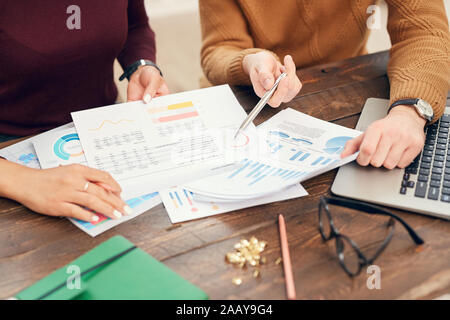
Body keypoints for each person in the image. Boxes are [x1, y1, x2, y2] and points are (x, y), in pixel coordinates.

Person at [199, 0, 450, 169]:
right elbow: (219, 48)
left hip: (346, 86)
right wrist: (250, 61)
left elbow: (423, 31)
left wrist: (409, 112)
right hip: (249, 98)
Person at [0, 1, 169, 222]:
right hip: (9, 145)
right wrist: (23, 181)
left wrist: (140, 65)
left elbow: (136, 26)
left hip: (102, 125)